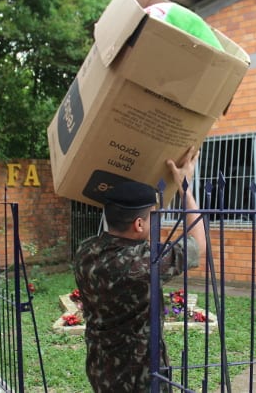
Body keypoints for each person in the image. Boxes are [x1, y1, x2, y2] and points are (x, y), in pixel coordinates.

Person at [72, 146, 206, 392]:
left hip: (101, 369)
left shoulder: (85, 251)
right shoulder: (142, 262)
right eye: (154, 215)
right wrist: (185, 188)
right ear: (139, 223)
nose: (158, 218)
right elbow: (198, 243)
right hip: (139, 378)